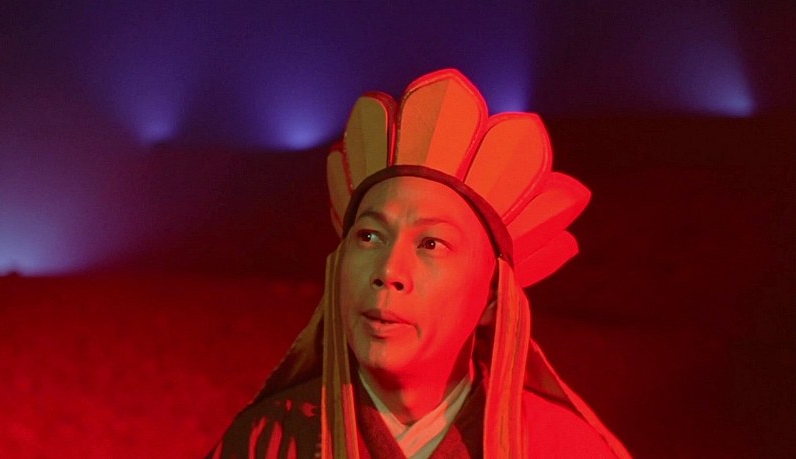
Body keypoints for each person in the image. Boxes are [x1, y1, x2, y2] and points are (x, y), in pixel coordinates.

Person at [206, 69, 631, 458]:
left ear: (492, 299)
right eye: (369, 237)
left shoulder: (563, 447)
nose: (388, 272)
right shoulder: (267, 439)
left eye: (431, 243)